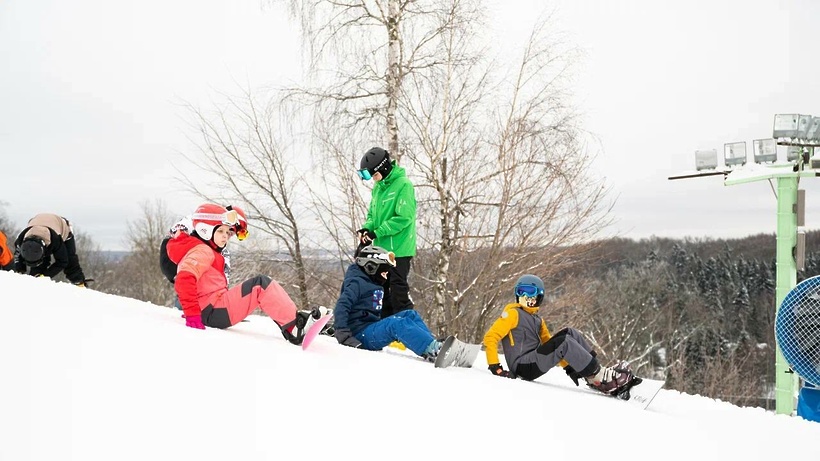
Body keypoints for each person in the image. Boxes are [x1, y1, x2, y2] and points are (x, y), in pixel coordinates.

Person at [165, 203, 324, 343]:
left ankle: (294, 321)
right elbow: (184, 279)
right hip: (212, 311)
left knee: (258, 287)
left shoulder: (204, 249)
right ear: (205, 230)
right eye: (221, 231)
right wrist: (192, 313)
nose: (226, 237)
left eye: (228, 233)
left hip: (212, 307)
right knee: (260, 285)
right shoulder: (202, 251)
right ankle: (295, 328)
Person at [483, 274, 636, 395]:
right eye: (521, 291)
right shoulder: (512, 314)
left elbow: (550, 345)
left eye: (530, 292)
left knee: (570, 332)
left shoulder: (537, 319)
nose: (526, 296)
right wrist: (496, 368)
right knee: (564, 342)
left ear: (539, 296)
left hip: (534, 359)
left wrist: (570, 368)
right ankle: (601, 377)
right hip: (523, 366)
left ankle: (594, 375)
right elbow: (491, 337)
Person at [333, 244, 442, 361]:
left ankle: (432, 345)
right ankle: (432, 349)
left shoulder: (373, 283)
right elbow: (342, 305)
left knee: (410, 314)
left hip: (370, 328)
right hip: (359, 335)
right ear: (371, 267)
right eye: (384, 272)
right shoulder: (357, 283)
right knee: (397, 324)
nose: (386, 275)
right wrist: (343, 334)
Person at [356, 147, 417, 319]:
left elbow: (404, 218)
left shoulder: (403, 185)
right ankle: (386, 329)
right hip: (381, 250)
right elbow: (372, 215)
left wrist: (377, 232)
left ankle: (410, 329)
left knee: (398, 292)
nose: (373, 180)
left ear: (383, 168)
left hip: (399, 249)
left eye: (374, 175)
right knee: (381, 292)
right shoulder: (378, 188)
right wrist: (367, 229)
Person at [13, 213, 89, 286]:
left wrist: (45, 276)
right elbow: (17, 256)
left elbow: (62, 262)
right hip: (38, 224)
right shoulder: (20, 240)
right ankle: (35, 279)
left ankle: (79, 283)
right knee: (37, 266)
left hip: (62, 226)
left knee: (70, 260)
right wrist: (20, 270)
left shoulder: (55, 240)